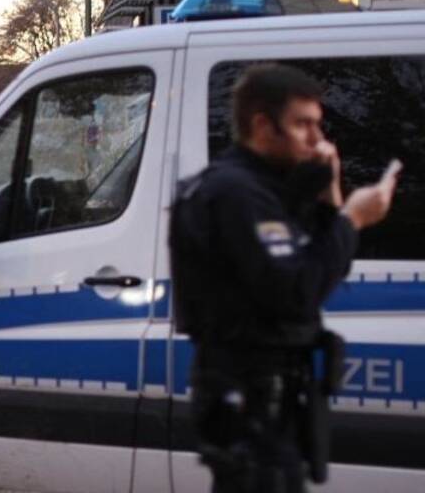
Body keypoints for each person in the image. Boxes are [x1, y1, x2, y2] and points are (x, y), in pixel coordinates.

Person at [169, 64, 398, 492]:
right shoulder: (238, 193)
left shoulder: (267, 188)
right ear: (261, 124)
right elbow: (297, 291)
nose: (317, 138)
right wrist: (352, 220)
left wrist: (332, 196)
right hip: (248, 397)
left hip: (270, 400)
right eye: (302, 125)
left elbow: (323, 265)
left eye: (318, 125)